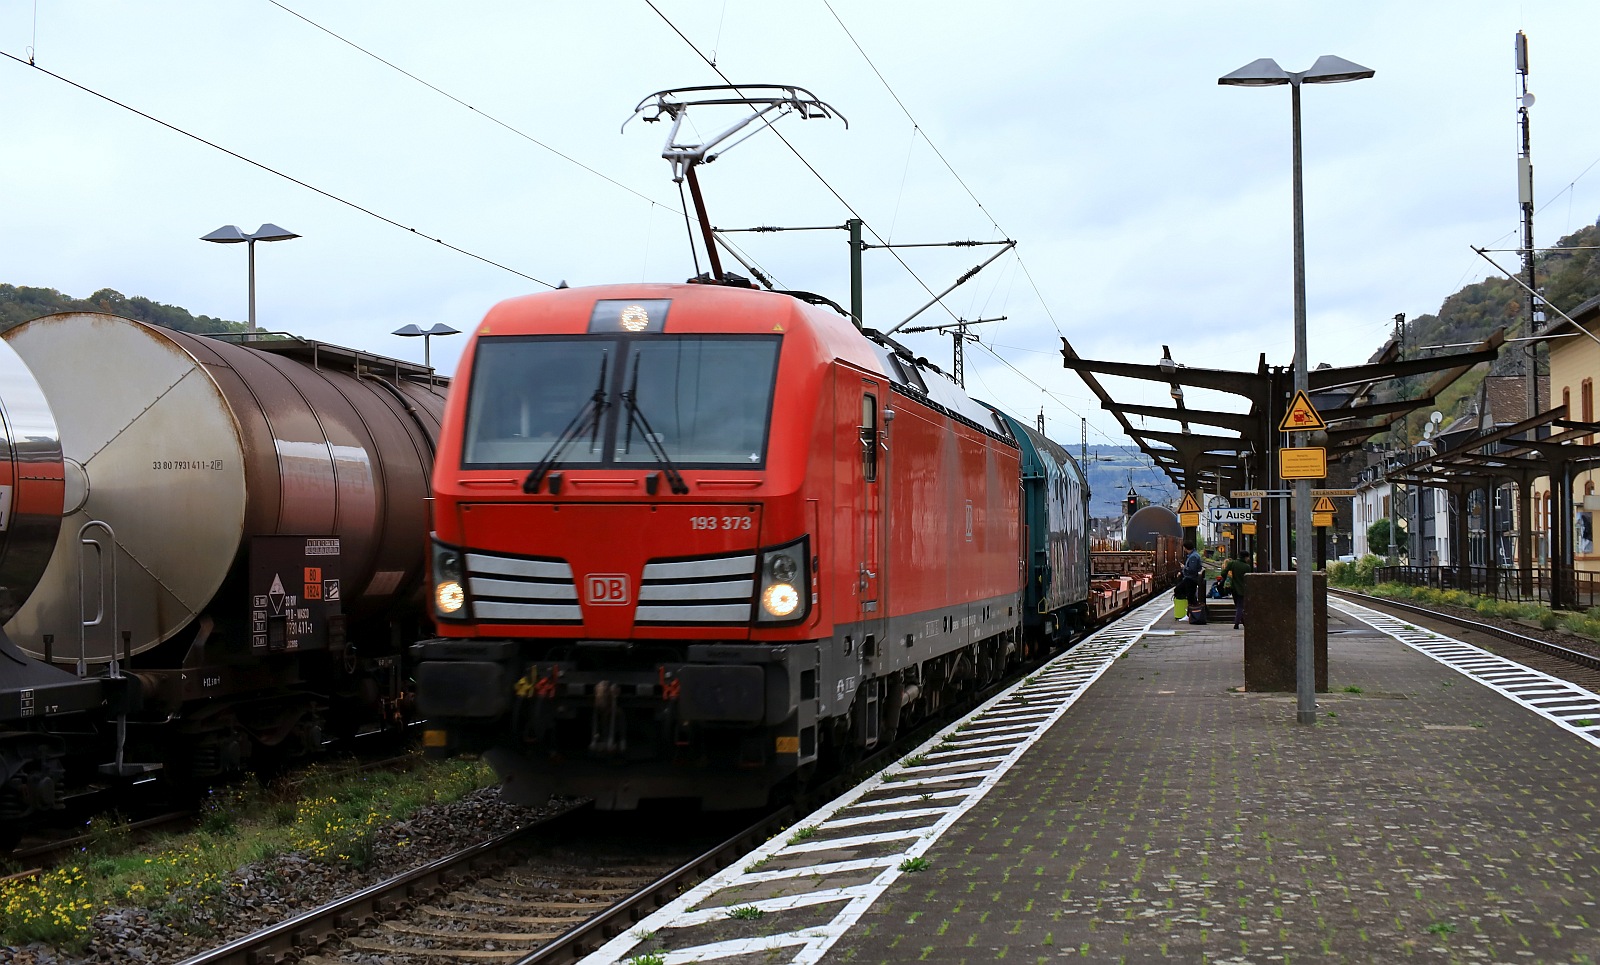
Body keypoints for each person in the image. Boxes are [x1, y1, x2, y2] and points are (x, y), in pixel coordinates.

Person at [1222, 551, 1252, 630]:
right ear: (1245, 557)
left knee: (1238, 606)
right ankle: (1237, 623)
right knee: (1240, 606)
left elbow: (1223, 573)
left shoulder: (1232, 563)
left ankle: (1243, 622)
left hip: (1233, 588)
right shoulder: (1247, 567)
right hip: (1242, 589)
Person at [1177, 539, 1205, 624]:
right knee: (1191, 596)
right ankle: (1191, 612)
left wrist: (1183, 568)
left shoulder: (1193, 556)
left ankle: (1190, 613)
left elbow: (1192, 570)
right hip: (1190, 579)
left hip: (1190, 579)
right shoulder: (1193, 555)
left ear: (1186, 548)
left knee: (1184, 592)